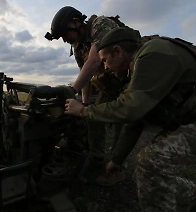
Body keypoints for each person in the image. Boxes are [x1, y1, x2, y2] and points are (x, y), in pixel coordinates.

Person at [65, 27, 196, 211]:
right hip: (189, 118)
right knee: (155, 170)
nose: (106, 68)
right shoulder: (138, 68)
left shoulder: (152, 53)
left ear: (118, 51)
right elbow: (135, 121)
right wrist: (117, 160)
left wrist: (83, 111)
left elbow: (129, 110)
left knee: (150, 163)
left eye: (105, 61)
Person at [45, 6, 130, 185]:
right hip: (110, 84)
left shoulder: (100, 25)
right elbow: (86, 76)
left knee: (120, 123)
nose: (64, 40)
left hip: (129, 78)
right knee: (92, 116)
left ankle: (116, 168)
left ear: (75, 23)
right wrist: (83, 105)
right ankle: (97, 157)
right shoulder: (78, 47)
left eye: (64, 34)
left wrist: (71, 91)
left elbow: (94, 60)